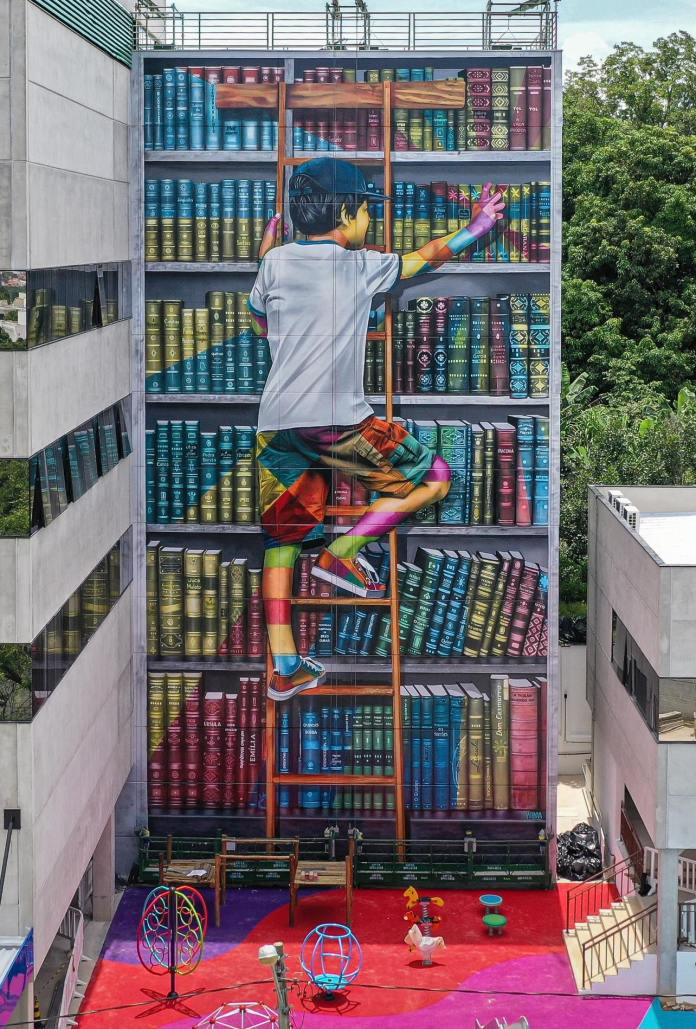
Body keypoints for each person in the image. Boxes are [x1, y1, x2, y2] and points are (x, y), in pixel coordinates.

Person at [248, 158, 504, 700]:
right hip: (339, 420)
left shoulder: (273, 264)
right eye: (366, 209)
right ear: (346, 213)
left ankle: (286, 664)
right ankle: (342, 551)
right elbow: (428, 256)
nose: (369, 221)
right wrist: (478, 226)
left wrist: (271, 257)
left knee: (280, 542)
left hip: (275, 425)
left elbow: (261, 321)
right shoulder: (360, 265)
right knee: (433, 477)